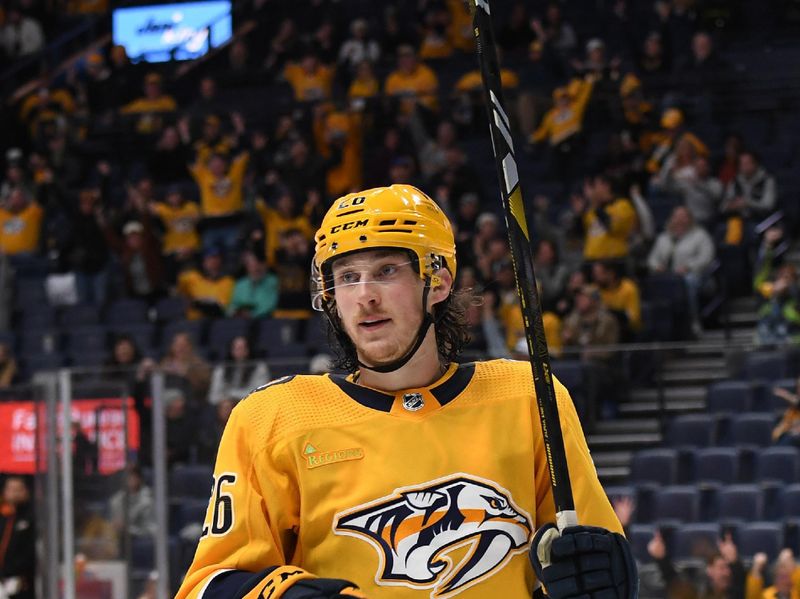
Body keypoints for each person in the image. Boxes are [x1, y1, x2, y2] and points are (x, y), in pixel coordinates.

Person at [176, 184, 636, 598]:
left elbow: (588, 559)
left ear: (438, 281)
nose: (365, 295)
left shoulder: (528, 397)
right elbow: (206, 586)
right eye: (347, 277)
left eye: (387, 270)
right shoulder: (274, 418)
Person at [0, 476, 35, 599]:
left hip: (23, 583)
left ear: (26, 492)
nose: (14, 493)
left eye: (18, 489)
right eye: (11, 489)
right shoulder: (4, 517)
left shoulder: (32, 517)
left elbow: (31, 552)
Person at [109, 465, 155, 538]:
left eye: (132, 476)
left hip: (143, 541)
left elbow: (151, 530)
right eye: (127, 477)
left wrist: (128, 530)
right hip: (120, 539)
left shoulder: (148, 500)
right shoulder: (117, 499)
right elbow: (112, 524)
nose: (129, 480)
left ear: (139, 479)